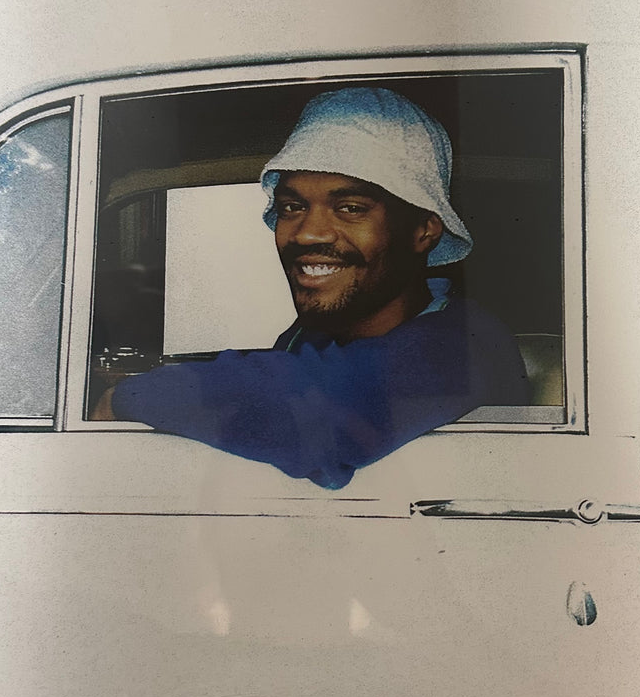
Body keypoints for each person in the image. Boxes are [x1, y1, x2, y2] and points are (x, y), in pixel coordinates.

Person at [95, 86, 531, 488]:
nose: (306, 233)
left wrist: (123, 398)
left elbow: (317, 420)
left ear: (423, 231)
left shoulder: (467, 343)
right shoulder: (315, 336)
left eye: (350, 207)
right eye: (292, 207)